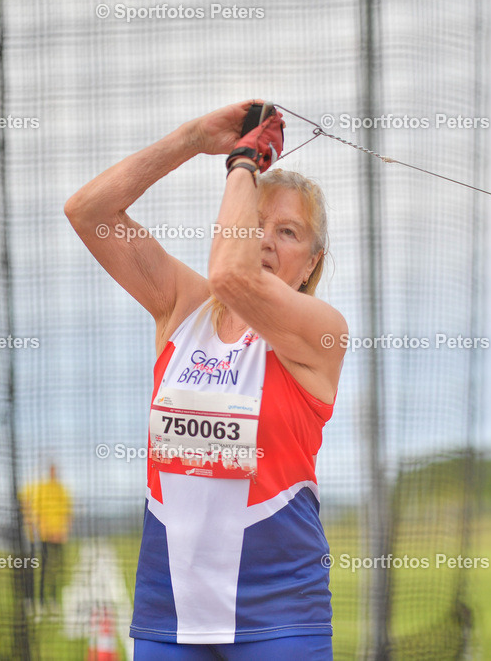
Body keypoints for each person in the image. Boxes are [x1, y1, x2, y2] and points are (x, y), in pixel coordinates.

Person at [65, 100, 347, 660]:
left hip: (279, 616)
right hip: (170, 613)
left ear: (312, 263)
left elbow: (232, 275)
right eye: (255, 224)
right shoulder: (182, 307)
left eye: (287, 232)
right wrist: (192, 138)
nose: (264, 241)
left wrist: (243, 165)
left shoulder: (321, 331)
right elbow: (87, 211)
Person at [19, 462, 73, 614]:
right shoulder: (36, 489)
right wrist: (42, 530)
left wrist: (63, 531)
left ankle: (51, 599)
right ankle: (36, 600)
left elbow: (68, 511)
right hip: (41, 536)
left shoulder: (60, 489)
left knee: (56, 569)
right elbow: (33, 510)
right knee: (35, 568)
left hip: (57, 536)